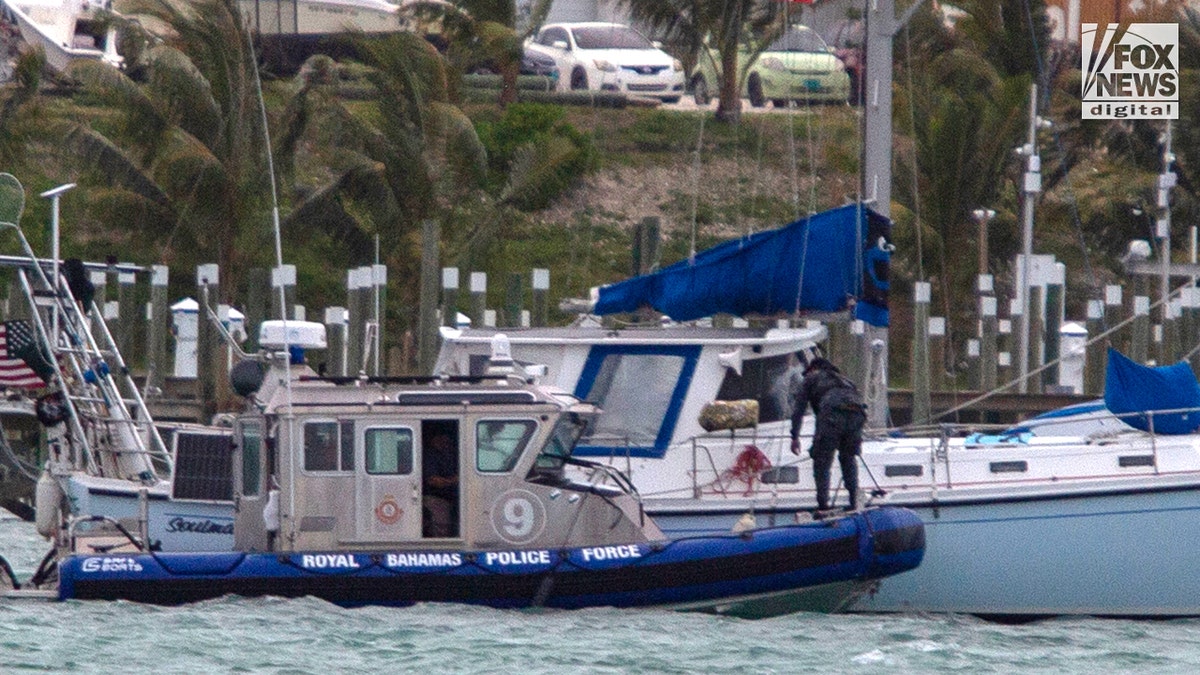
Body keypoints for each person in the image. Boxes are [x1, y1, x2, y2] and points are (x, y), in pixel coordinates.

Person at [789, 356, 866, 513]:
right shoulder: (847, 381)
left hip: (832, 412)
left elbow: (799, 410)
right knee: (848, 457)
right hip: (857, 413)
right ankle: (854, 500)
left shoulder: (811, 378)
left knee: (822, 459)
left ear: (813, 369)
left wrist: (795, 436)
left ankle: (823, 505)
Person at [422, 433, 458, 537]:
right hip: (435, 498)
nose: (446, 442)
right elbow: (432, 480)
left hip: (449, 500)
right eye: (443, 439)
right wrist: (454, 480)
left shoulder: (449, 455)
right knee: (441, 528)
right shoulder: (431, 456)